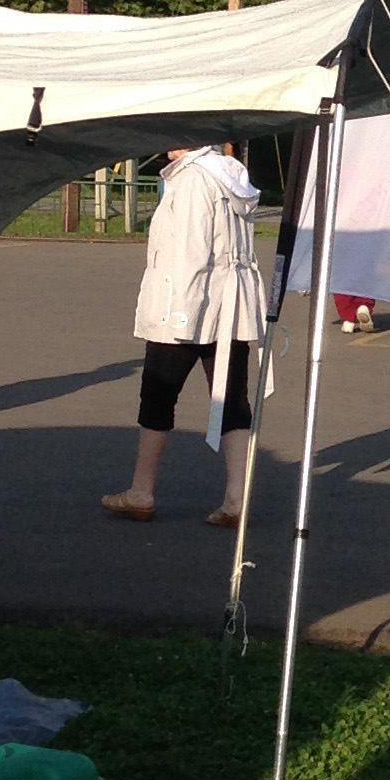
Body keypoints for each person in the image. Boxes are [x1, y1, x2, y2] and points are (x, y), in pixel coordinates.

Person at [102, 144, 266, 527]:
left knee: (158, 395)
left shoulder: (194, 180)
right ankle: (235, 498)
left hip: (188, 306)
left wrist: (178, 316)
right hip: (229, 306)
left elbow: (191, 252)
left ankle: (142, 491)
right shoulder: (229, 176)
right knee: (230, 398)